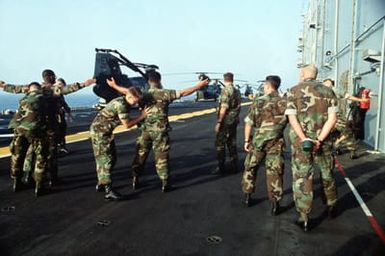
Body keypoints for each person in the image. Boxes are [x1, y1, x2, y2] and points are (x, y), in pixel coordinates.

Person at [107, 72, 209, 192]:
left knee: (140, 155)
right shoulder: (165, 93)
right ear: (159, 80)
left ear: (148, 81)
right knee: (162, 156)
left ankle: (135, 178)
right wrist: (199, 85)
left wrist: (114, 86)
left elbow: (127, 92)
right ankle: (165, 183)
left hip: (145, 131)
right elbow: (183, 92)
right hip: (160, 132)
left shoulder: (143, 94)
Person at [1, 70, 96, 185]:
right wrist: (85, 84)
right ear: (51, 77)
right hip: (49, 126)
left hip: (29, 126)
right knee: (50, 153)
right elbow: (68, 89)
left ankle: (26, 176)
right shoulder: (50, 89)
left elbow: (15, 88)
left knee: (29, 152)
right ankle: (51, 178)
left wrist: (3, 86)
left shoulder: (32, 87)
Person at [285, 65, 338, 231]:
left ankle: (304, 217)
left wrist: (304, 138)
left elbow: (292, 119)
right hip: (324, 142)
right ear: (316, 76)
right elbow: (333, 119)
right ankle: (331, 206)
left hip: (301, 144)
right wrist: (319, 140)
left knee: (302, 177)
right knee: (327, 173)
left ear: (302, 74)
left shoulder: (293, 91)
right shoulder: (329, 91)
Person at [90, 85, 149, 201]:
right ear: (130, 97)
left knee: (111, 158)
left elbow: (127, 90)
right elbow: (127, 125)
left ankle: (102, 182)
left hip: (104, 131)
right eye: (136, 101)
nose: (136, 103)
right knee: (106, 159)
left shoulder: (126, 99)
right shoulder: (121, 105)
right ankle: (108, 190)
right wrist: (142, 116)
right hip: (100, 132)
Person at [241, 75, 287, 215]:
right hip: (276, 143)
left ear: (267, 86)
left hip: (258, 142)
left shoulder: (258, 101)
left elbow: (249, 123)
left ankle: (248, 197)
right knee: (274, 172)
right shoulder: (285, 102)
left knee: (250, 167)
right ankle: (275, 204)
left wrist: (246, 141)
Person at [6, 82, 47, 196]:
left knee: (17, 156)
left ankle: (16, 182)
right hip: (36, 131)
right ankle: (39, 186)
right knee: (41, 157)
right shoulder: (43, 97)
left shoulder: (24, 99)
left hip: (19, 130)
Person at [212, 72, 241, 174]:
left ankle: (221, 166)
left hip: (226, 121)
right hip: (234, 120)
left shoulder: (225, 91)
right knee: (232, 143)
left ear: (224, 79)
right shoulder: (237, 91)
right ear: (232, 79)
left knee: (220, 144)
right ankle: (234, 165)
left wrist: (219, 121)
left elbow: (224, 107)